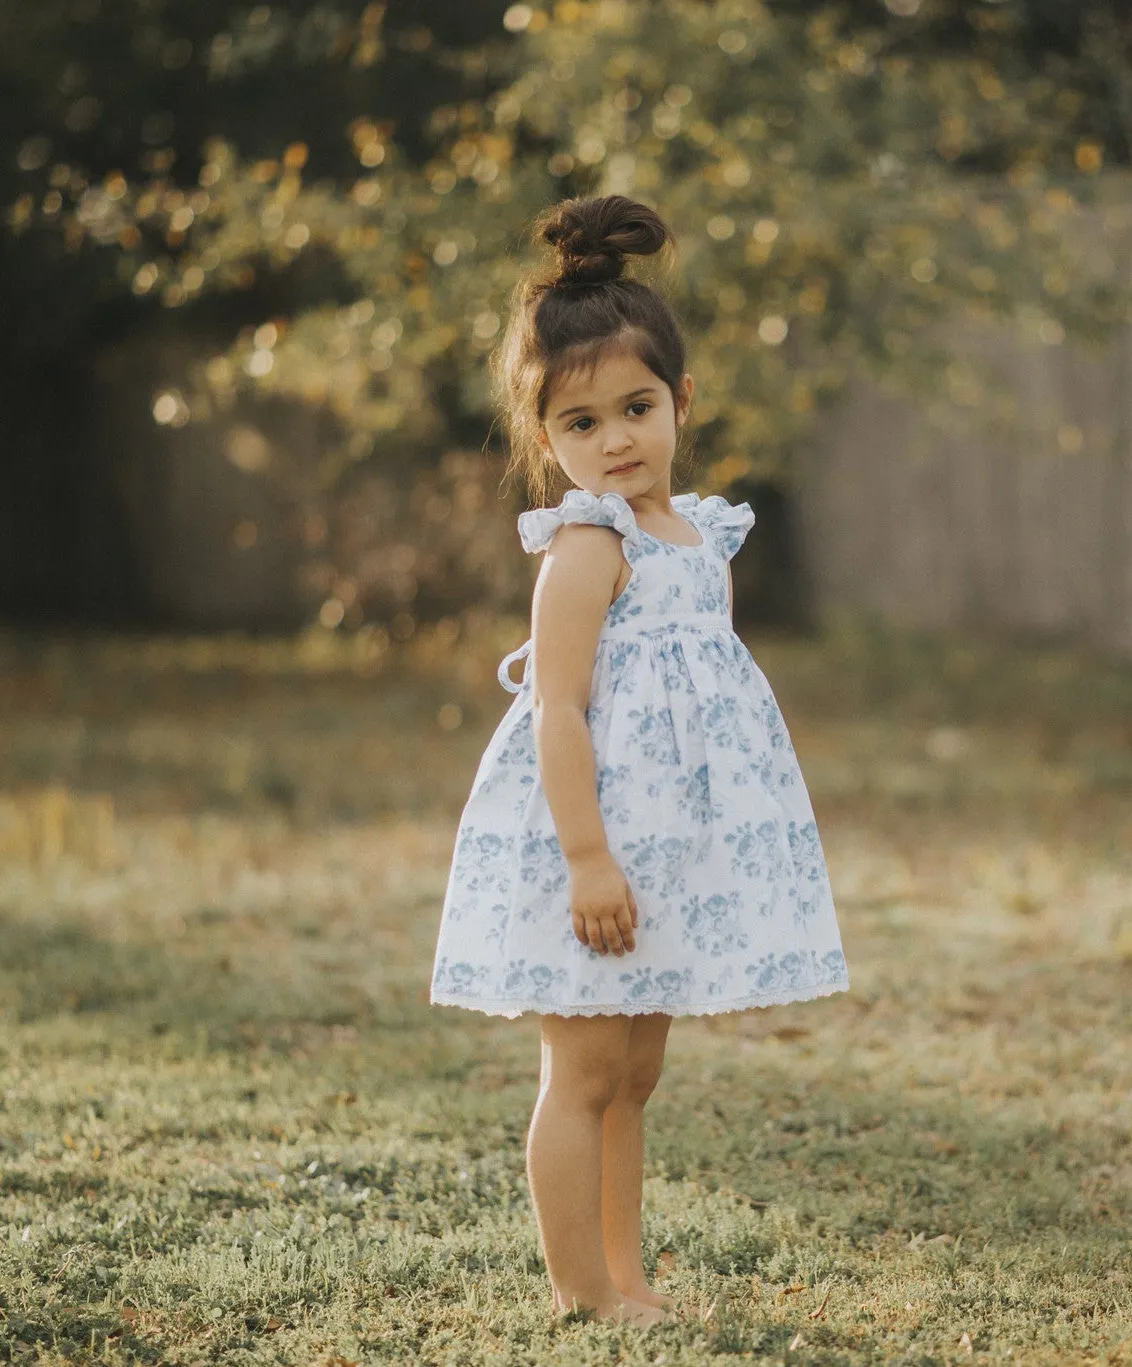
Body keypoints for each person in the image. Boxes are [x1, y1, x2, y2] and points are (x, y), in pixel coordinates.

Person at [429, 195, 849, 1324]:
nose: (613, 439)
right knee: (580, 1073)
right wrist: (587, 860)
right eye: (579, 423)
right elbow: (557, 710)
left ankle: (628, 1277)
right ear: (544, 436)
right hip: (595, 856)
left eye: (635, 406)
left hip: (668, 856)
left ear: (681, 401)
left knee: (634, 1076)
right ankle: (580, 1291)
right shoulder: (584, 546)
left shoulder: (697, 535)